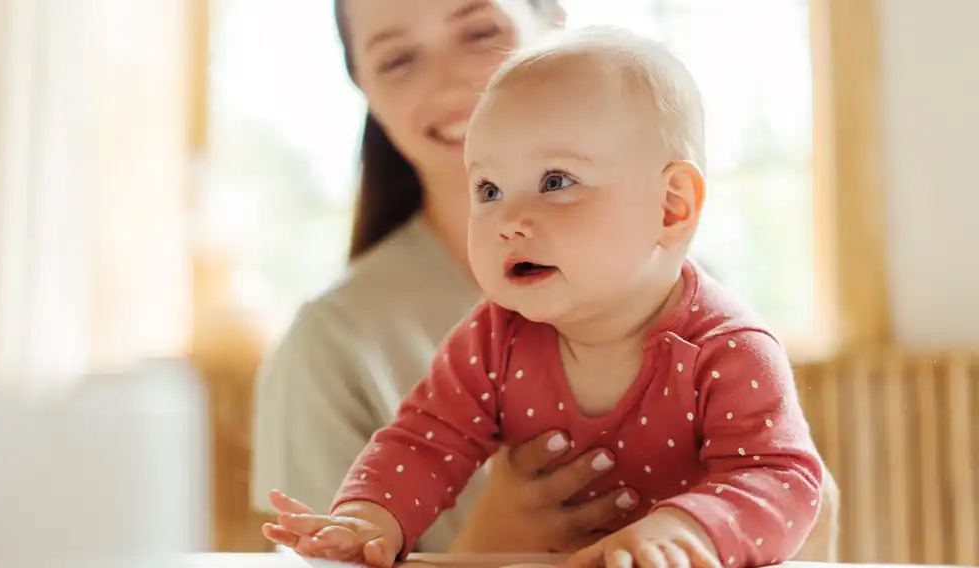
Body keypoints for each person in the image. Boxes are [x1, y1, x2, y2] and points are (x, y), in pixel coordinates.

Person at [250, 0, 839, 559]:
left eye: (556, 181)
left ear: (671, 207)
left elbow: (783, 479)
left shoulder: (727, 343)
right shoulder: (491, 337)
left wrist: (687, 530)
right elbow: (425, 440)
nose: (508, 221)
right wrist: (370, 517)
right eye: (489, 190)